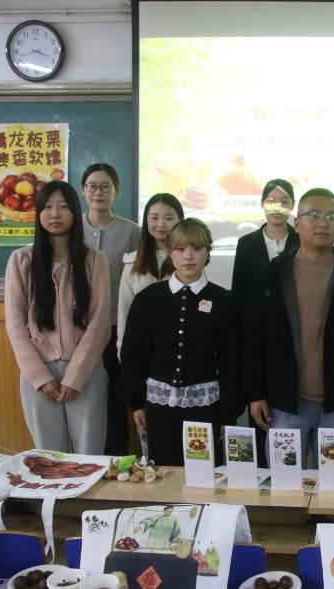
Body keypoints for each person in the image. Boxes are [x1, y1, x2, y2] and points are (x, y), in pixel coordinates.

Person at [244, 188, 334, 469]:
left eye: (332, 216)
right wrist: (255, 394)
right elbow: (254, 339)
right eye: (314, 215)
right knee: (285, 483)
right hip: (285, 404)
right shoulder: (272, 274)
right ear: (297, 224)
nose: (323, 223)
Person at [120, 218, 241, 466]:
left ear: (207, 253)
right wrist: (136, 402)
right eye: (180, 248)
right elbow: (134, 355)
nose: (188, 256)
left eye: (196, 248)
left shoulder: (224, 301)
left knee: (203, 472)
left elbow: (232, 361)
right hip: (158, 407)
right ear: (170, 253)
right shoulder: (148, 299)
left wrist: (229, 414)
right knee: (163, 471)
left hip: (206, 408)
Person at [4, 181, 111, 454]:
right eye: (48, 207)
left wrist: (75, 377)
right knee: (49, 458)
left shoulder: (94, 260)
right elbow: (15, 325)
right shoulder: (21, 260)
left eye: (63, 207)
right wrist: (39, 377)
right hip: (38, 375)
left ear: (75, 212)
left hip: (86, 372)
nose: (55, 214)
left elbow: (99, 323)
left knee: (89, 454)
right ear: (38, 213)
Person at [80, 163, 141, 456]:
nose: (99, 192)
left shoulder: (132, 232)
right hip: (80, 328)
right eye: (92, 186)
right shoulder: (72, 228)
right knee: (85, 396)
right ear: (83, 190)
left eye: (105, 186)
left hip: (117, 326)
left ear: (116, 190)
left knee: (115, 398)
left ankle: (116, 460)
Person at [116, 193, 185, 356]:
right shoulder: (133, 262)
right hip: (141, 347)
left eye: (169, 218)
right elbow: (125, 310)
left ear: (180, 221)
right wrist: (122, 350)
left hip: (179, 348)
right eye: (154, 218)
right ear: (146, 220)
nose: (161, 224)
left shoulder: (188, 259)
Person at [231, 179, 300, 309]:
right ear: (262, 204)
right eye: (271, 201)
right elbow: (239, 292)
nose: (277, 207)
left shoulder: (302, 242)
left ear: (293, 205)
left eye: (284, 201)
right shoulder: (245, 244)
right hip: (256, 318)